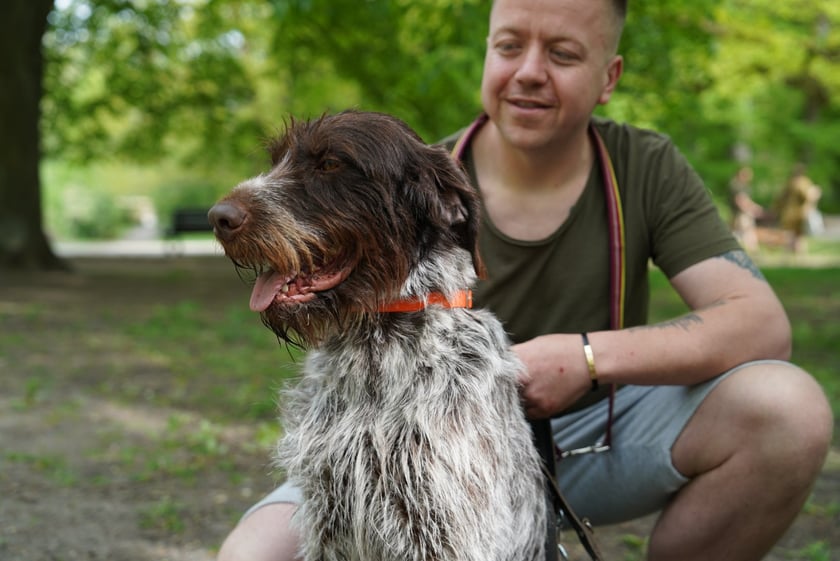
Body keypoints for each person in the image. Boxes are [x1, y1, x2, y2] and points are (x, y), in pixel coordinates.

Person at [218, 1, 833, 560]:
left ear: (609, 77)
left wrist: (587, 357)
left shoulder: (645, 167)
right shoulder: (404, 179)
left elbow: (759, 322)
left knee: (785, 407)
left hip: (599, 434)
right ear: (487, 52)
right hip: (408, 434)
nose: (529, 72)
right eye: (509, 46)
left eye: (562, 54)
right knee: (250, 554)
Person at [777, 164, 823, 254]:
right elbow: (810, 195)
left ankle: (790, 254)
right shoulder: (803, 182)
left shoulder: (791, 182)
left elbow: (780, 198)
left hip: (790, 213)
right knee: (797, 236)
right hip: (798, 213)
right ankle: (798, 254)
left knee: (791, 235)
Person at [728, 166, 765, 252]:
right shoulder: (736, 185)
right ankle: (753, 252)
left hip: (743, 214)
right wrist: (755, 209)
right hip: (740, 215)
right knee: (745, 233)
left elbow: (746, 200)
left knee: (740, 234)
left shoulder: (744, 186)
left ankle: (751, 251)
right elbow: (741, 201)